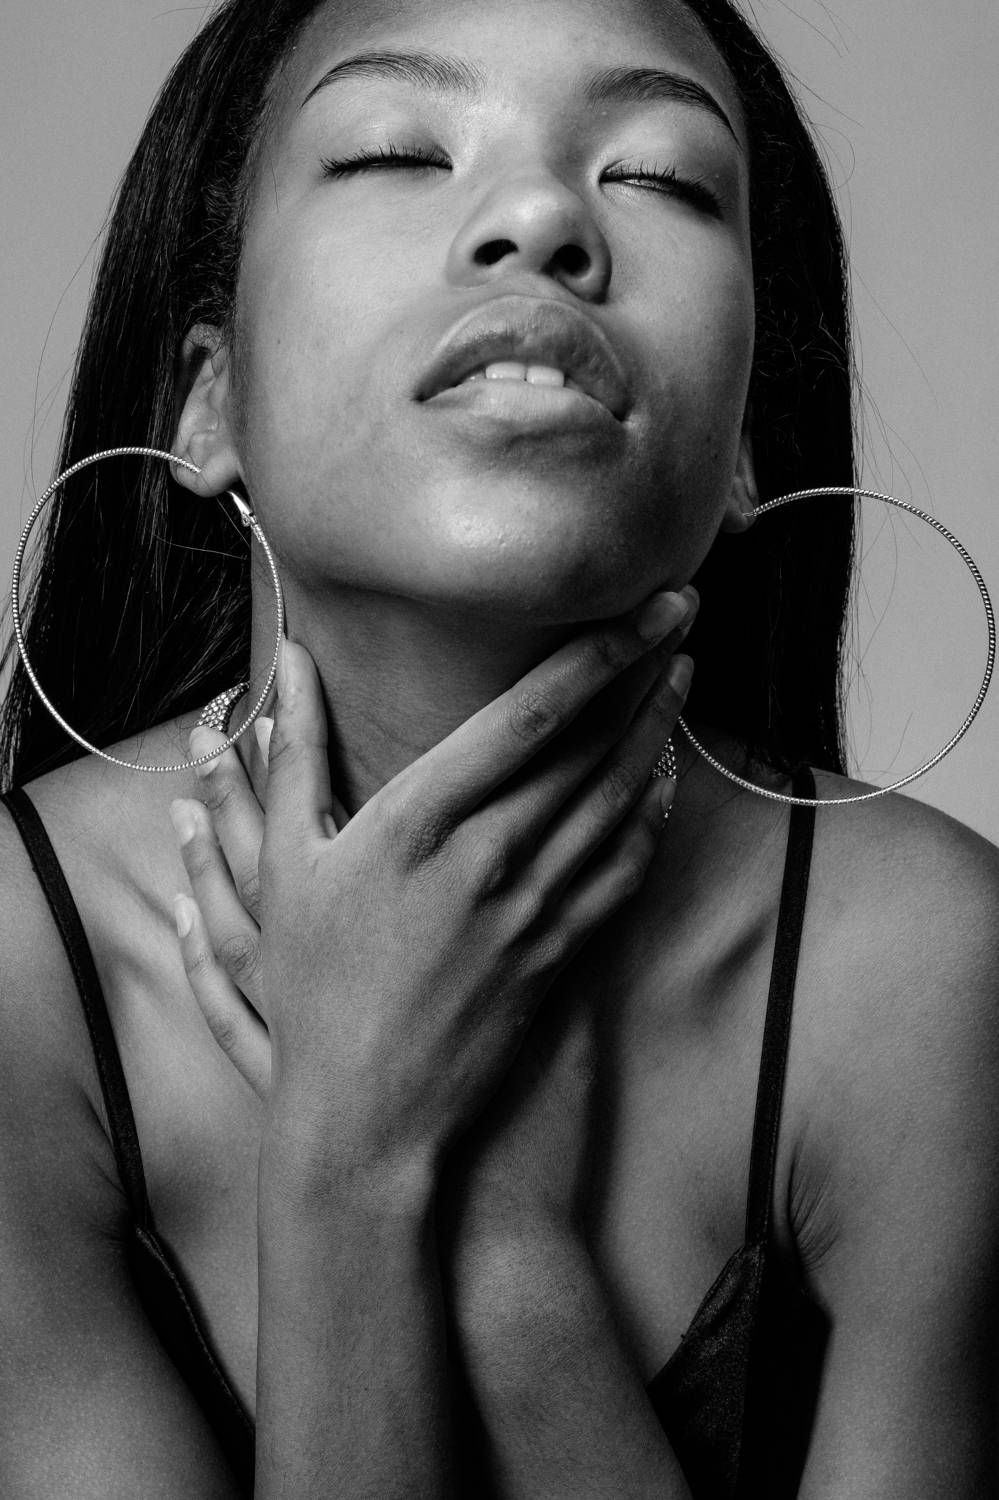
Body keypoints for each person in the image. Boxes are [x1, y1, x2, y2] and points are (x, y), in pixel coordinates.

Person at [1, 0, 997, 1494]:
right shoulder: (19, 976)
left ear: (745, 446)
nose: (540, 218)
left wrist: (493, 1241)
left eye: (657, 177)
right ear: (211, 400)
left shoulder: (928, 975)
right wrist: (350, 1170)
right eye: (397, 152)